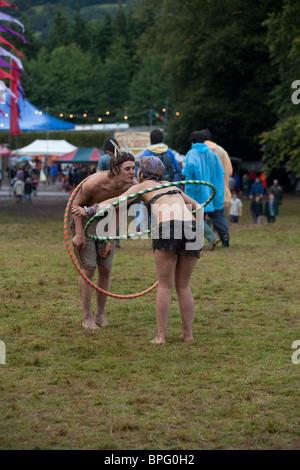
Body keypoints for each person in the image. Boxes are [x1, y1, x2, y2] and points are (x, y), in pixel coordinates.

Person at [73, 155, 203, 344]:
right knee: (183, 285)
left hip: (169, 227)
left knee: (165, 285)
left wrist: (89, 211)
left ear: (142, 173)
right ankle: (188, 334)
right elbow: (198, 208)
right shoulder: (172, 186)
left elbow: (115, 202)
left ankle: (161, 336)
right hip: (192, 229)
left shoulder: (141, 186)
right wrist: (194, 232)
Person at [70, 150, 137, 330]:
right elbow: (75, 206)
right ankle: (87, 316)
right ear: (115, 170)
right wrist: (78, 233)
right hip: (84, 222)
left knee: (106, 269)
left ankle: (100, 315)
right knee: (88, 269)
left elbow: (119, 211)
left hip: (107, 223)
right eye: (128, 169)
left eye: (134, 168)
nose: (132, 172)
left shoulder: (132, 188)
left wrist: (110, 240)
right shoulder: (94, 184)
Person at [182, 130, 230, 247]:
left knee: (195, 216)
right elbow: (221, 170)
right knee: (218, 214)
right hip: (214, 189)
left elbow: (188, 170)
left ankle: (205, 239)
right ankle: (225, 236)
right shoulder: (211, 153)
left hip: (197, 191)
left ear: (192, 142)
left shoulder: (192, 153)